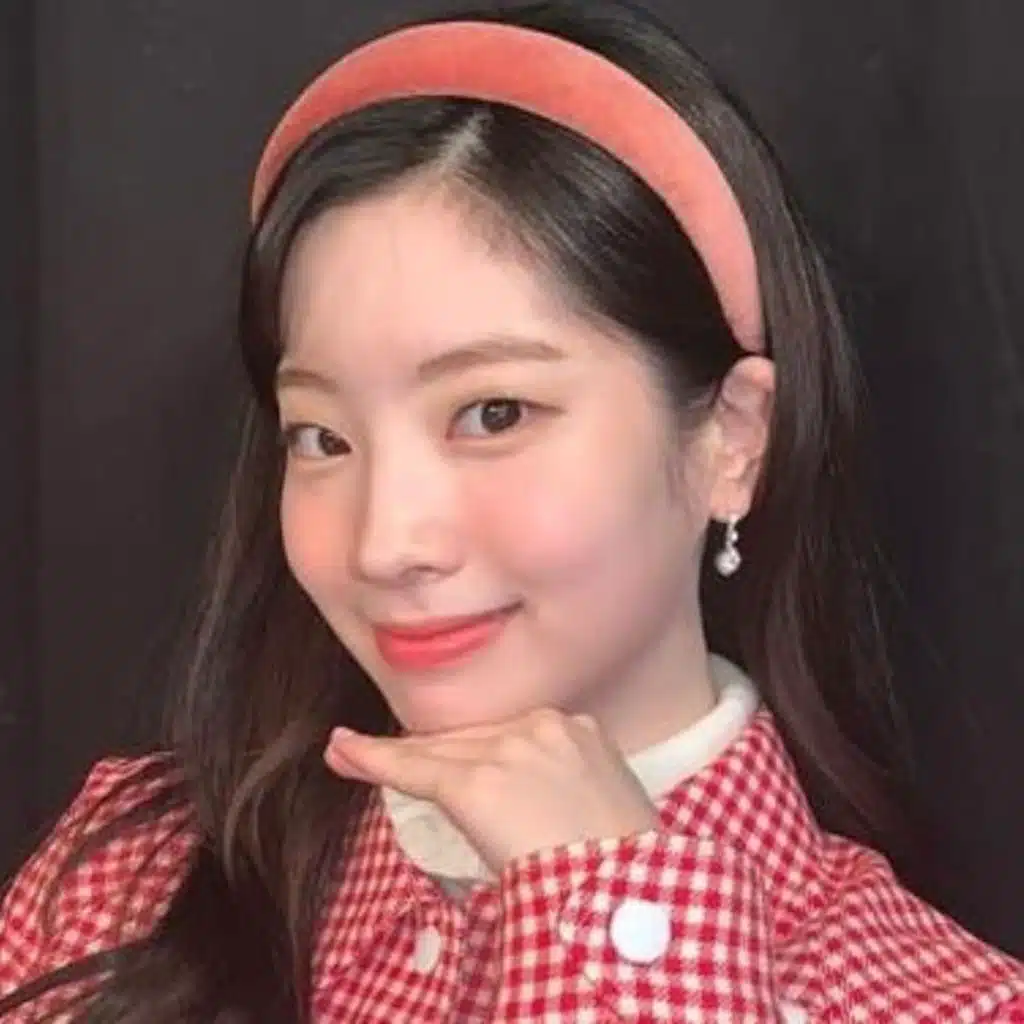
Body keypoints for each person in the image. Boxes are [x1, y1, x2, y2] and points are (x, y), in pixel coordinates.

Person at [1, 1, 1022, 1020]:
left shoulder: (944, 1003)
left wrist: (615, 915)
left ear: (733, 438)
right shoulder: (133, 880)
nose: (385, 543)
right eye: (322, 436)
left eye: (494, 414)